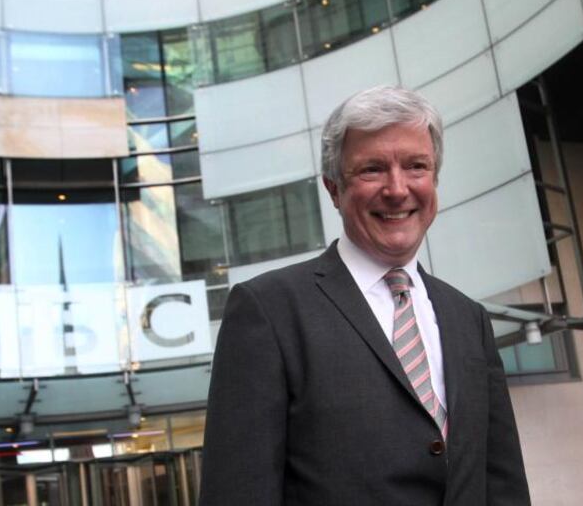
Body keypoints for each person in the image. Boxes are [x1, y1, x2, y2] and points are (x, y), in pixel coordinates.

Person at [199, 86, 530, 505]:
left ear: (435, 179)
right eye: (372, 169)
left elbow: (503, 485)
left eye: (416, 166)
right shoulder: (268, 311)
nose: (397, 189)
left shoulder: (469, 319)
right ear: (334, 189)